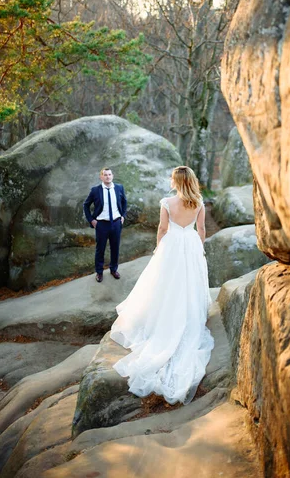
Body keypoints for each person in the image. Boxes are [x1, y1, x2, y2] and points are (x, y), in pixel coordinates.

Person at [110, 165, 214, 406]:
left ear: (176, 182)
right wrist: (199, 249)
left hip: (172, 245)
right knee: (189, 281)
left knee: (166, 283)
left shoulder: (167, 202)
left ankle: (164, 315)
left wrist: (159, 248)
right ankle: (188, 312)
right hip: (190, 244)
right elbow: (201, 230)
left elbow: (163, 229)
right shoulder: (198, 202)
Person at [83, 168, 127, 283]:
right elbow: (86, 205)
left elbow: (124, 202)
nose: (108, 177)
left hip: (116, 223)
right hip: (101, 224)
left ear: (112, 176)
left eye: (109, 174)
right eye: (105, 175)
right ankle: (99, 272)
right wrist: (91, 220)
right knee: (100, 249)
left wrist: (123, 216)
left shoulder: (119, 188)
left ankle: (113, 269)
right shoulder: (95, 190)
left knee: (115, 247)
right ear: (101, 177)